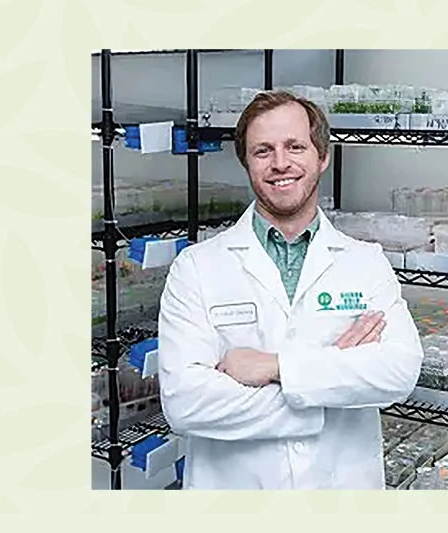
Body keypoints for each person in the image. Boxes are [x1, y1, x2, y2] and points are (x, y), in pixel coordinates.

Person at [157, 90, 423, 489]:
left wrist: (275, 367)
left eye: (295, 146)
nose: (280, 163)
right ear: (246, 162)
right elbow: (186, 403)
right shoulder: (196, 268)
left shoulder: (364, 262)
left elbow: (399, 371)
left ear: (322, 156)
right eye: (263, 151)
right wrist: (330, 384)